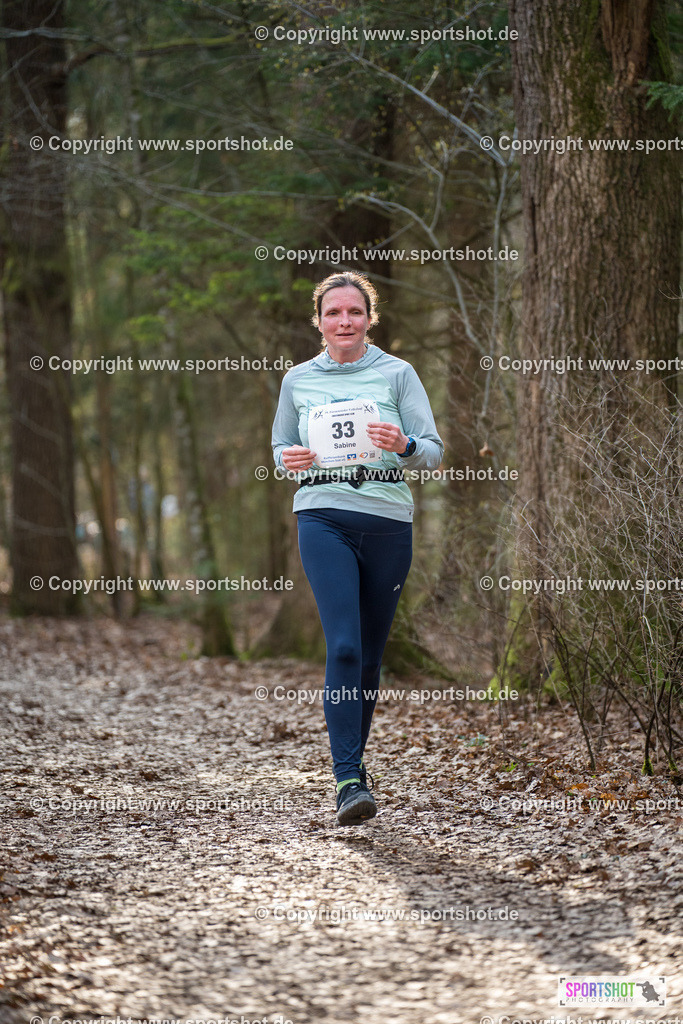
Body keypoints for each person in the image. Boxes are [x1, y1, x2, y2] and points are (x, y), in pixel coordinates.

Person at [271, 271, 443, 825]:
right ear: (318, 321)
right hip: (322, 515)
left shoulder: (398, 374)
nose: (344, 321)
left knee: (369, 657)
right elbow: (280, 445)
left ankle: (355, 767)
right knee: (344, 647)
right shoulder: (298, 380)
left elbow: (433, 451)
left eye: (354, 312)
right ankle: (347, 779)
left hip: (388, 521)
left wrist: (405, 444)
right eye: (333, 312)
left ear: (369, 318)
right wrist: (287, 459)